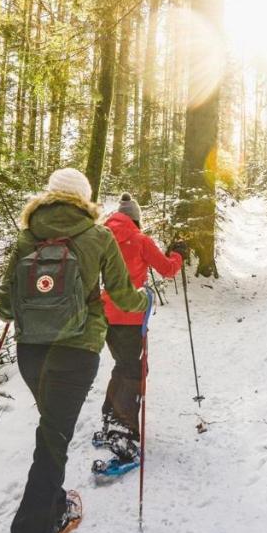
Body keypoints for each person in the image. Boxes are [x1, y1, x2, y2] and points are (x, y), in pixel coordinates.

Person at [0, 168, 149, 533]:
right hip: (76, 354)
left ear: (49, 197)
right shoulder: (98, 238)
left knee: (50, 434)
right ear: (85, 199)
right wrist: (145, 300)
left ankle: (54, 508)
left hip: (30, 355)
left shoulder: (27, 237)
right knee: (51, 447)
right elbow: (122, 294)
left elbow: (3, 303)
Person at [95, 193, 187, 462]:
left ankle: (110, 419)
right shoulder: (140, 240)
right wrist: (177, 254)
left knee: (122, 365)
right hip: (131, 315)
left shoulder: (100, 237)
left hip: (103, 314)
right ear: (136, 219)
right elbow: (168, 269)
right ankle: (123, 431)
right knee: (134, 369)